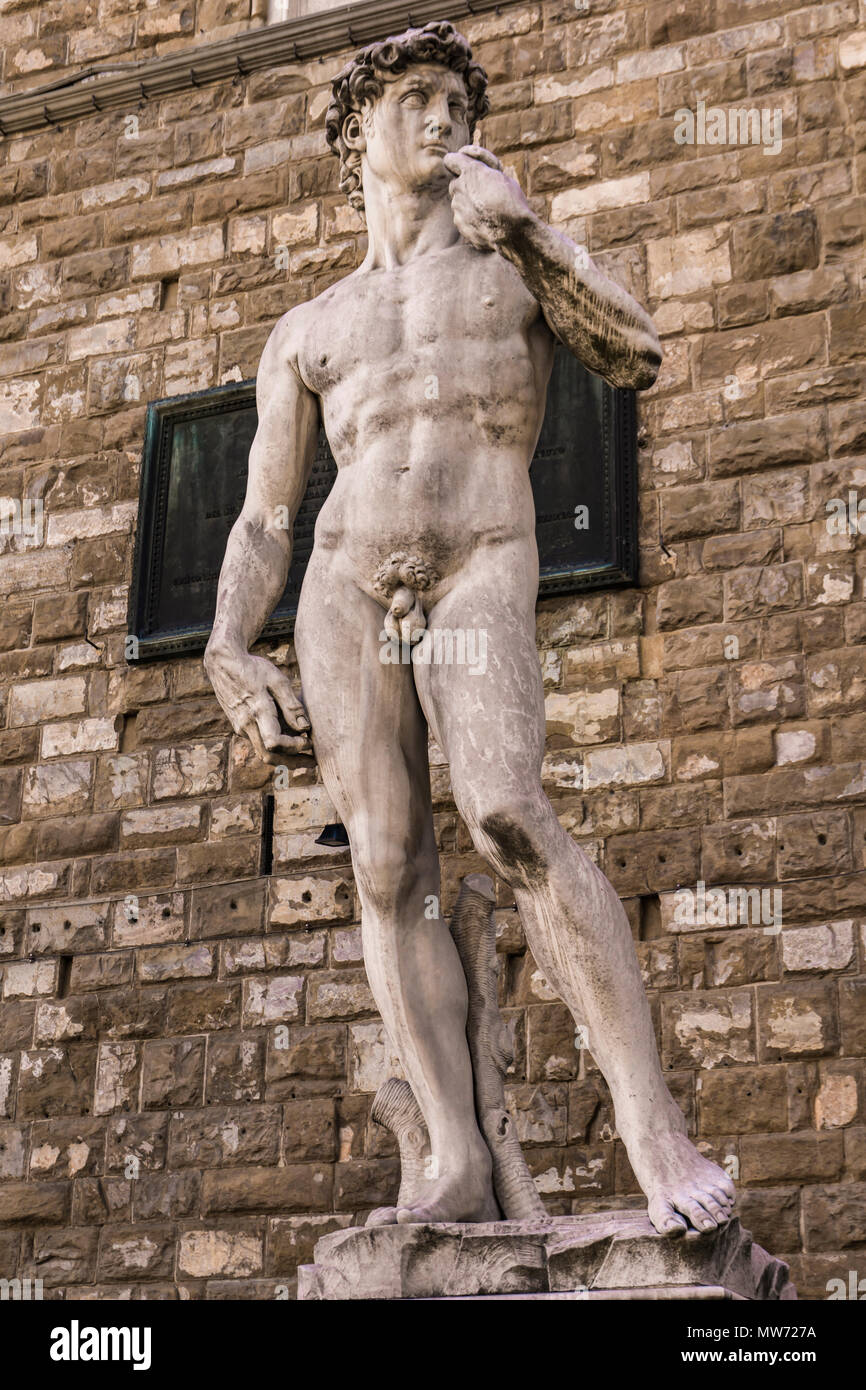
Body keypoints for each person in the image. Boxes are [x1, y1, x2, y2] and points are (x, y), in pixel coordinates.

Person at [205, 20, 735, 1235]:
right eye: (415, 102)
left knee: (503, 808)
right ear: (358, 137)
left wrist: (532, 230)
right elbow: (264, 516)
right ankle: (449, 1155)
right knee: (388, 870)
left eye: (455, 99)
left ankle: (650, 1129)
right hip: (344, 588)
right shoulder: (308, 327)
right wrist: (231, 642)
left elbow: (637, 349)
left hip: (475, 566)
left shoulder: (509, 265)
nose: (442, 120)